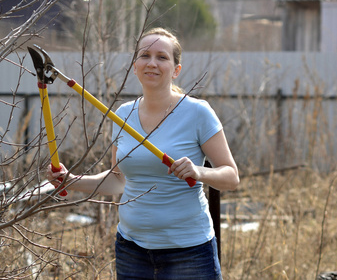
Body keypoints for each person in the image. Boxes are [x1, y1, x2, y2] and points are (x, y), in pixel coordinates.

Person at [47, 27, 239, 279]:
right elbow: (118, 179)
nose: (152, 63)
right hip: (132, 251)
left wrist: (199, 171)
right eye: (145, 55)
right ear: (135, 65)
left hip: (189, 252)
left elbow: (231, 177)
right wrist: (71, 181)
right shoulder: (122, 115)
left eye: (162, 57)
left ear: (176, 69)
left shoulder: (198, 113)